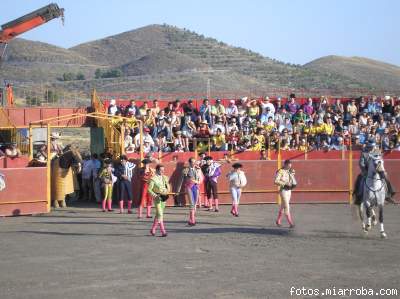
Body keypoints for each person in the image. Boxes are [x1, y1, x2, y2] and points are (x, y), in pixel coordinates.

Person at [148, 164, 171, 237]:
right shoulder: (153, 178)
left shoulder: (165, 178)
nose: (162, 171)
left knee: (158, 214)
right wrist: (155, 196)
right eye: (161, 170)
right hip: (157, 197)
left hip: (164, 197)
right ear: (157, 170)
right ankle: (163, 231)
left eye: (163, 170)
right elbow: (149, 190)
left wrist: (167, 192)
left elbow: (168, 186)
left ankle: (153, 229)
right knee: (160, 214)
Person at [274, 159, 297, 228]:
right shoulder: (280, 171)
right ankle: (291, 223)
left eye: (290, 165)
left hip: (289, 190)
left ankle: (278, 220)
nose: (290, 167)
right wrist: (285, 184)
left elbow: (292, 180)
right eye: (288, 165)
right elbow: (276, 181)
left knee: (283, 206)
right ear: (285, 164)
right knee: (287, 206)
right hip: (283, 190)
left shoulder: (290, 171)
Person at [182, 158, 202, 226]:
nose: (193, 163)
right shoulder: (186, 169)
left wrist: (199, 171)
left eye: (194, 162)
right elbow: (184, 178)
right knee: (192, 203)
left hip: (196, 187)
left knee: (195, 203)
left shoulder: (197, 169)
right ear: (189, 163)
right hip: (189, 187)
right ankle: (192, 220)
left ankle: (191, 220)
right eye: (192, 162)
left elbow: (200, 178)